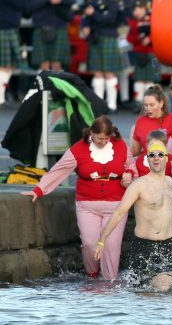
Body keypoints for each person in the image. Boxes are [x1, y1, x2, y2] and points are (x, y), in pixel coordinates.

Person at [23, 116, 132, 280]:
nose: (103, 142)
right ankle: (92, 275)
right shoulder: (79, 149)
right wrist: (39, 190)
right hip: (87, 205)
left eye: (106, 138)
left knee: (111, 245)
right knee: (89, 243)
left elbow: (132, 166)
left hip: (116, 206)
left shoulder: (121, 146)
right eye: (99, 138)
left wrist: (129, 175)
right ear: (92, 133)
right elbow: (59, 170)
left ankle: (110, 283)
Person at [94, 141, 172, 291]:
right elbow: (119, 212)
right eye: (152, 155)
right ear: (147, 160)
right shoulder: (139, 185)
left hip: (167, 245)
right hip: (143, 246)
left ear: (166, 158)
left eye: (160, 155)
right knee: (143, 293)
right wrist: (101, 241)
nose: (156, 158)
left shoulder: (169, 181)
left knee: (163, 289)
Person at [80, 0, 123, 111]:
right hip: (95, 38)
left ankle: (111, 104)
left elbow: (110, 19)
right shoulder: (94, 1)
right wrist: (85, 26)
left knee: (109, 73)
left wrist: (94, 14)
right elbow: (86, 17)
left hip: (108, 37)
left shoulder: (114, 1)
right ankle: (97, 104)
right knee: (97, 72)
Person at [27, 0, 73, 72]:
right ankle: (44, 90)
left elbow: (72, 0)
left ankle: (56, 90)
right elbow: (28, 7)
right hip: (41, 28)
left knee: (57, 64)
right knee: (44, 65)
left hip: (59, 26)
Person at [0, 0, 27, 106]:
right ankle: (0, 98)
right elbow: (22, 4)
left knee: (8, 65)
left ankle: (1, 96)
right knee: (4, 65)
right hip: (4, 28)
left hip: (6, 27)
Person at [130, 86, 172, 160]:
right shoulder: (140, 121)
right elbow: (135, 150)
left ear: (161, 103)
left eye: (151, 105)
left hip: (168, 161)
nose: (148, 108)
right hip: (147, 162)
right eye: (145, 105)